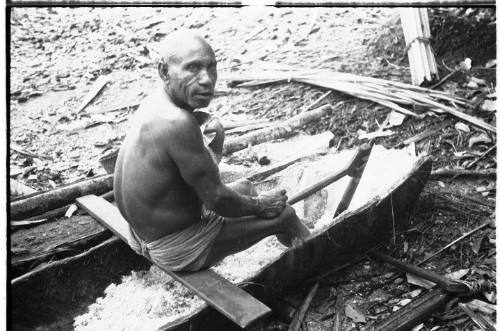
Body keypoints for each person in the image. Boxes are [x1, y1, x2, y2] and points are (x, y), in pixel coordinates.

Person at [113, 30, 310, 272]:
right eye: (193, 68)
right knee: (287, 214)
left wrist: (213, 147)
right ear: (164, 72)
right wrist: (261, 206)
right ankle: (315, 254)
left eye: (211, 67)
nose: (206, 79)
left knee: (247, 186)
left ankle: (285, 241)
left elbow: (189, 176)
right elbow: (217, 199)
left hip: (143, 233)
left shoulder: (154, 104)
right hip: (173, 247)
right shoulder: (178, 123)